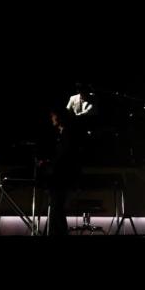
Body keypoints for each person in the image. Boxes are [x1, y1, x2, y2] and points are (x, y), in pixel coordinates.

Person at [44, 89, 96, 236]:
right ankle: (58, 232)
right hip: (62, 176)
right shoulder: (66, 134)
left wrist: (51, 165)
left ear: (59, 117)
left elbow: (65, 156)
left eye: (53, 116)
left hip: (62, 177)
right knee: (57, 208)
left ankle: (58, 233)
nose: (51, 118)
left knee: (56, 208)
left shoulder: (67, 135)